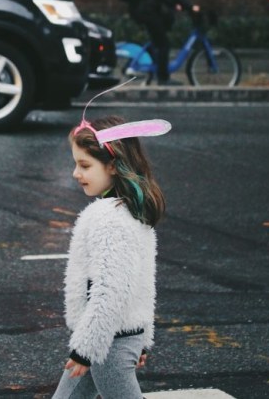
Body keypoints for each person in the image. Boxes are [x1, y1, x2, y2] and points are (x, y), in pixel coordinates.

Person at [52, 114, 170, 399]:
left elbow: (111, 292)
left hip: (107, 345)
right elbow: (142, 284)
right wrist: (142, 339)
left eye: (84, 165)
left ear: (113, 166)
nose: (75, 174)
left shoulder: (109, 217)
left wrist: (85, 351)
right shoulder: (128, 211)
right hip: (111, 338)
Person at [135, 0, 200, 86]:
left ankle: (155, 70)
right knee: (164, 44)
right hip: (149, 12)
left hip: (150, 10)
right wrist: (190, 6)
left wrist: (176, 5)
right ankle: (163, 78)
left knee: (158, 41)